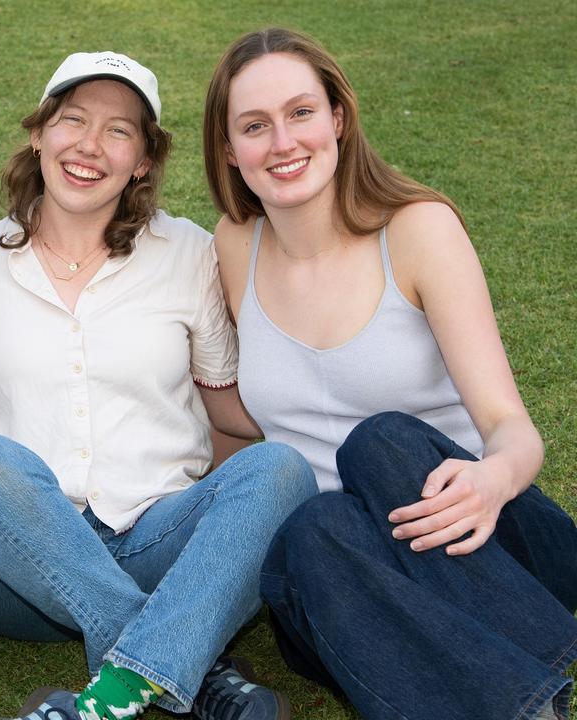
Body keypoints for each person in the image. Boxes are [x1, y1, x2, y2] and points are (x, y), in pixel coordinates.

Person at [203, 27, 577, 720]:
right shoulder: (233, 246)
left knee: (378, 445)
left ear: (338, 118)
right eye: (255, 126)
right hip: (342, 583)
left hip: (478, 544)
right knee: (312, 525)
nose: (282, 142)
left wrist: (490, 481)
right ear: (230, 149)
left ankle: (513, 695)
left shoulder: (416, 230)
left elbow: (510, 428)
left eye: (300, 113)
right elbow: (233, 423)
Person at [0, 51, 317, 720]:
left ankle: (117, 691)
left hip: (152, 538)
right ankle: (194, 670)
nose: (89, 145)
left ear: (143, 159)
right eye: (72, 120)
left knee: (282, 469)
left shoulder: (189, 253)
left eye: (118, 131)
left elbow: (222, 402)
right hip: (10, 568)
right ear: (39, 134)